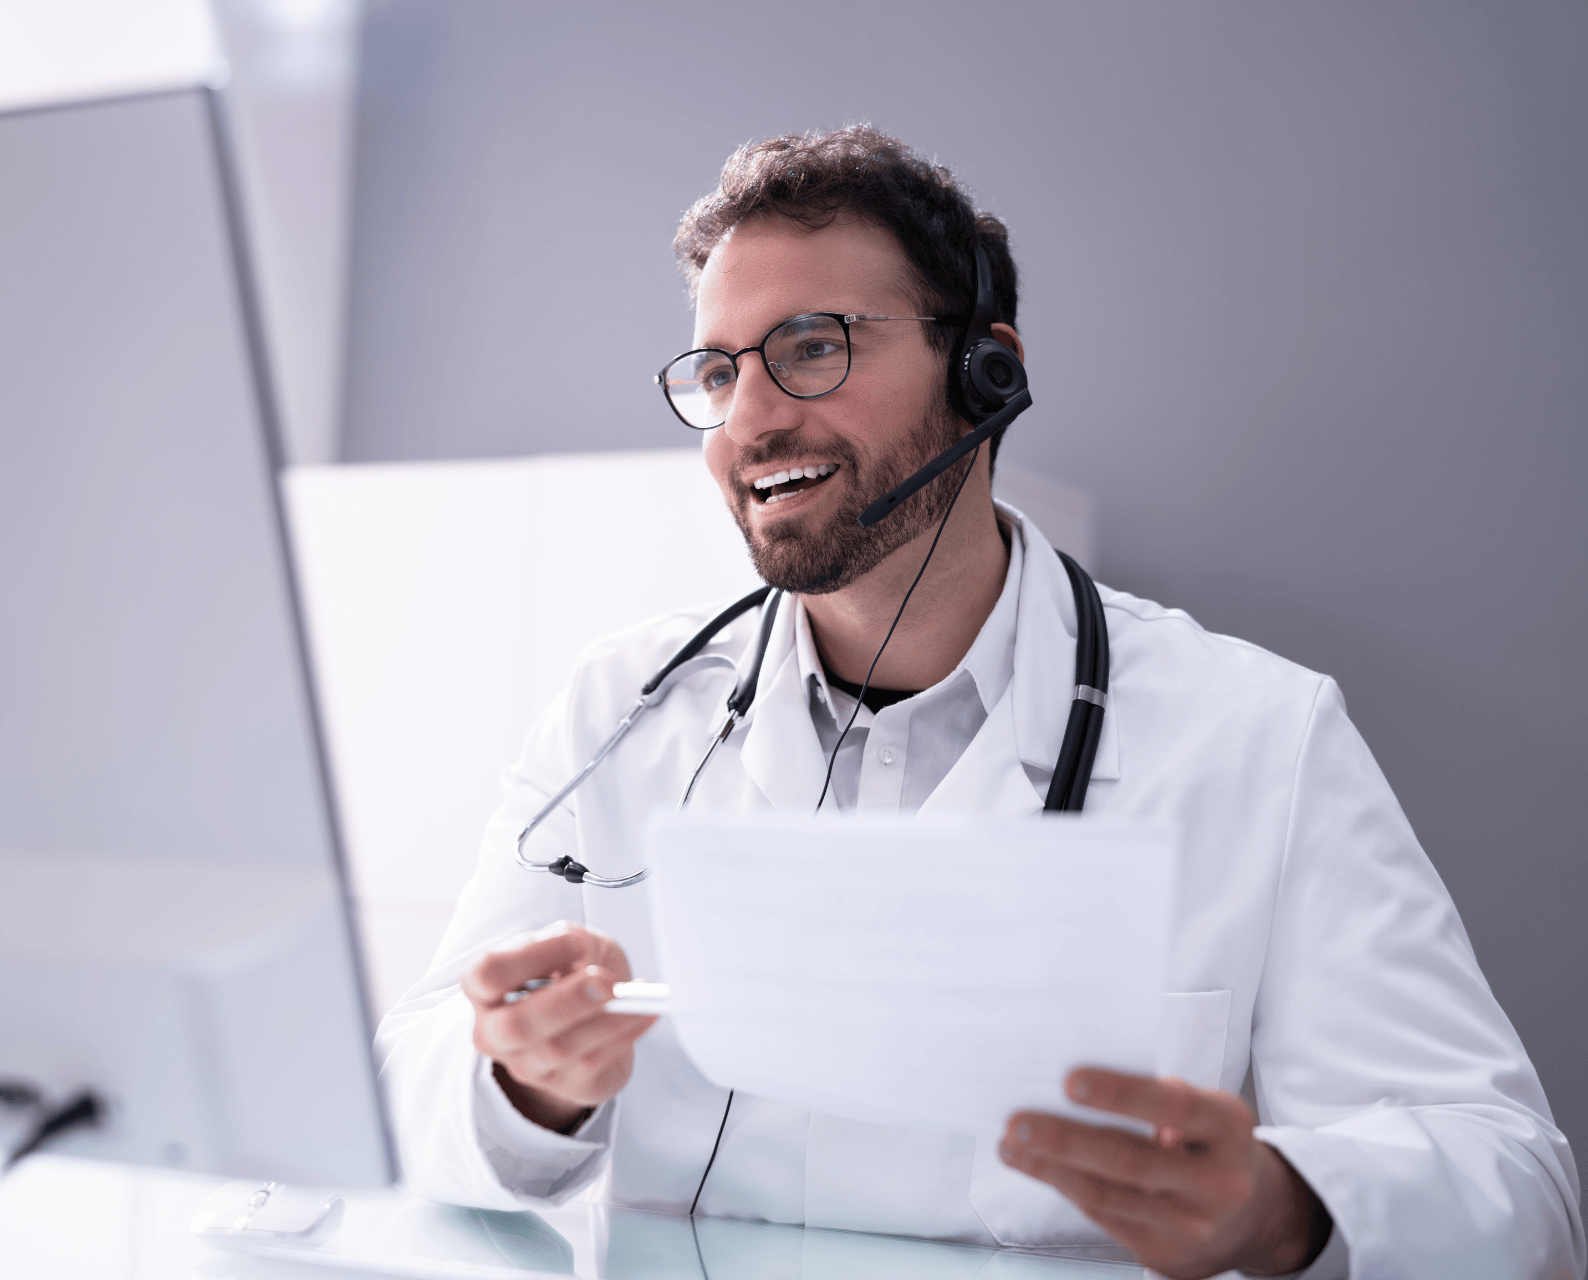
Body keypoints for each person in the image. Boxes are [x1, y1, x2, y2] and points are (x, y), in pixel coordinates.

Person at [375, 127, 1583, 1277]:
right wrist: (526, 1082)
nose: (748, 417)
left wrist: (1278, 1205)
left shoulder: (1259, 736)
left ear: (983, 371)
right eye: (715, 369)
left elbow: (1517, 1184)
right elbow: (405, 1085)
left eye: (811, 346)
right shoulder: (621, 708)